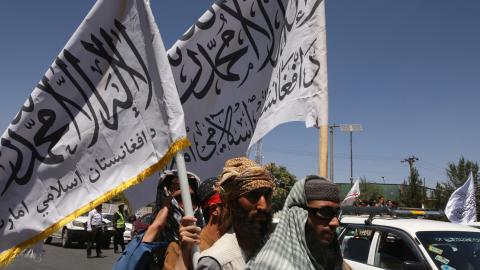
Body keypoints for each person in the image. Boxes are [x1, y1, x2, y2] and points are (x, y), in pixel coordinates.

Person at [247, 175, 351, 270]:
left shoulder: (337, 264)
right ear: (298, 215)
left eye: (336, 213)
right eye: (324, 212)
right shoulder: (270, 265)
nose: (335, 223)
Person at [196, 157, 275, 270]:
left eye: (267, 196)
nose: (263, 205)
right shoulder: (217, 262)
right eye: (253, 196)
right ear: (232, 203)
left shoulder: (273, 250)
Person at [164, 176, 229, 270]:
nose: (186, 204)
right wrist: (184, 253)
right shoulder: (178, 249)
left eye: (192, 199)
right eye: (179, 199)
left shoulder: (238, 241)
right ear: (214, 209)